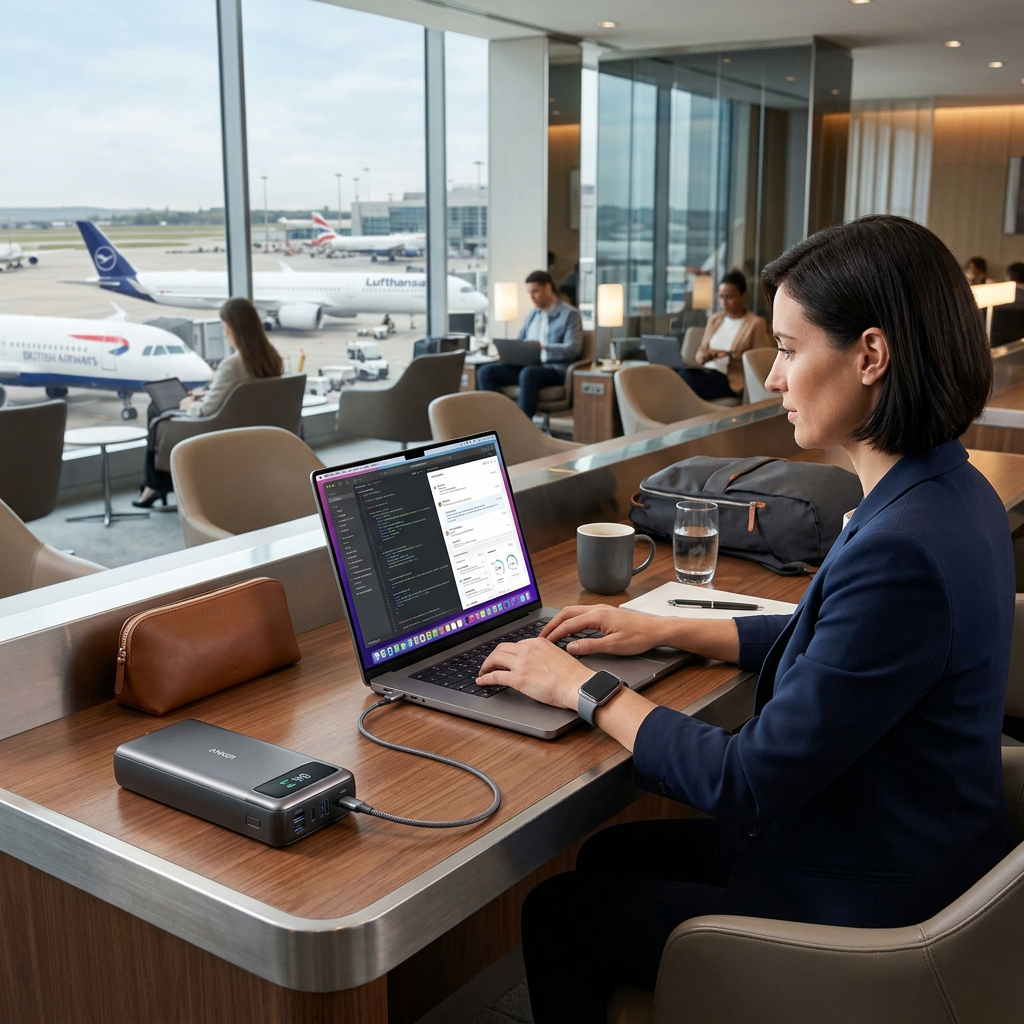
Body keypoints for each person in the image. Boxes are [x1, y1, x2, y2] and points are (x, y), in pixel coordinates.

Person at [474, 215, 1013, 1023]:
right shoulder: (949, 491)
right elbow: (846, 647)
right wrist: (668, 629)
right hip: (909, 835)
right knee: (611, 852)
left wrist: (586, 690)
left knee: (559, 915)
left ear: (871, 356)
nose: (772, 378)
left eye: (790, 350)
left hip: (867, 902)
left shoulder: (901, 548)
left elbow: (746, 780)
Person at [133, 297, 284, 507]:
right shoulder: (272, 357)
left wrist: (189, 405)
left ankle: (153, 485)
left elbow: (205, 412)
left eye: (224, 327)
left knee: (157, 413)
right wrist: (206, 395)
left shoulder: (231, 365)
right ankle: (155, 486)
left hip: (223, 431)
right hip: (257, 428)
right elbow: (243, 396)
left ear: (231, 328)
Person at [477, 270, 583, 419]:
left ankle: (522, 426)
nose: (532, 297)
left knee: (529, 373)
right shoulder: (532, 315)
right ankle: (498, 420)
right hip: (526, 366)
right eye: (529, 292)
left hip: (553, 369)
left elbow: (573, 349)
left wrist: (544, 347)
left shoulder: (570, 314)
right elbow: (520, 341)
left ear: (548, 287)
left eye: (535, 291)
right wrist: (512, 352)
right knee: (486, 372)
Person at [683, 270, 769, 401]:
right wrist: (710, 355)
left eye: (729, 297)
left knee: (686, 379)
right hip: (707, 372)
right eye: (721, 297)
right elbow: (700, 354)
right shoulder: (714, 320)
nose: (724, 302)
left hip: (730, 381)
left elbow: (761, 361)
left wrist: (732, 355)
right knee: (677, 374)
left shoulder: (755, 323)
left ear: (742, 296)